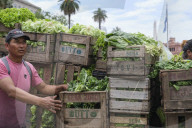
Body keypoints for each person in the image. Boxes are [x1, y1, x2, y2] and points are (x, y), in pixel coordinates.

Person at [0, 29, 68, 128]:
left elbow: (43, 87)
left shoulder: (28, 67)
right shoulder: (2, 65)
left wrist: (62, 88)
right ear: (7, 46)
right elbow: (11, 91)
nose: (22, 45)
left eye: (24, 42)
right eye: (17, 42)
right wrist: (40, 101)